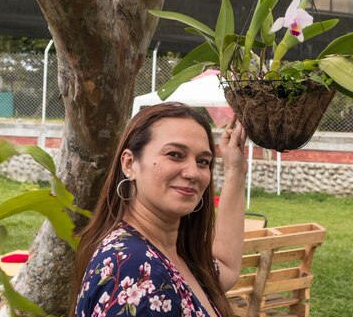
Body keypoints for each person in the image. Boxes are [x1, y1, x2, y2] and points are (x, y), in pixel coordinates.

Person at [70, 102, 248, 317]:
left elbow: (226, 269)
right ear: (129, 164)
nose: (193, 173)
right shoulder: (135, 267)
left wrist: (236, 170)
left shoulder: (171, 253)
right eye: (175, 154)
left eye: (203, 161)